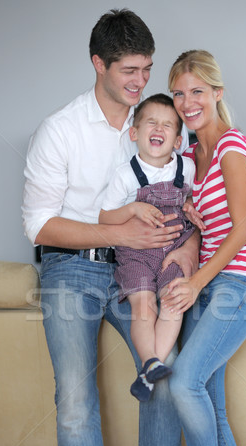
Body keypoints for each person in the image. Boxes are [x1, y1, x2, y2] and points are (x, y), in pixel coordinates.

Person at [22, 10, 200, 446]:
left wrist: (189, 252)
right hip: (71, 269)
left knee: (165, 370)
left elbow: (191, 209)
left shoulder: (159, 125)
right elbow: (40, 225)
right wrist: (118, 232)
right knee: (75, 399)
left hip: (141, 267)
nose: (139, 81)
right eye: (128, 70)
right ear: (97, 64)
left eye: (146, 69)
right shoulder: (60, 129)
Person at [163, 49, 246, 446]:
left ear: (217, 93)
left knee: (184, 381)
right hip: (214, 280)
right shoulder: (189, 158)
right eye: (180, 93)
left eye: (197, 92)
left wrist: (198, 282)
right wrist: (187, 207)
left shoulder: (230, 146)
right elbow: (189, 214)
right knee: (210, 401)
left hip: (241, 283)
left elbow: (244, 231)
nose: (188, 102)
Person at [99, 93, 204, 402]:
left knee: (174, 304)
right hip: (137, 255)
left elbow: (191, 201)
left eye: (168, 125)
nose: (159, 128)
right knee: (144, 307)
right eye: (151, 123)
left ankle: (148, 373)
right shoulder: (125, 174)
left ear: (177, 139)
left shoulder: (187, 167)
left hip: (175, 248)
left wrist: (190, 208)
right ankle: (150, 360)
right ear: (135, 132)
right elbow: (105, 218)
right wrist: (132, 210)